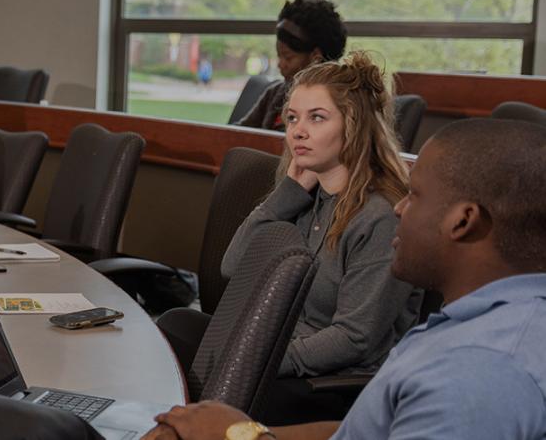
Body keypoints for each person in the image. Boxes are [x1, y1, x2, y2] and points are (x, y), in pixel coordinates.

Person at [143, 118, 546, 440]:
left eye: (416, 195)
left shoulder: (480, 372)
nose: (400, 209)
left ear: (463, 221)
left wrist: (237, 438)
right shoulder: (482, 321)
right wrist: (239, 430)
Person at [221, 51, 419, 423]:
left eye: (317, 118)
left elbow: (354, 338)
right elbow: (233, 267)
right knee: (178, 324)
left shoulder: (381, 216)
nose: (297, 131)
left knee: (217, 388)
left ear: (354, 125)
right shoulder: (304, 197)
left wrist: (262, 359)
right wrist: (287, 194)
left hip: (335, 383)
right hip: (281, 351)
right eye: (292, 118)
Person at [234, 0, 347, 131]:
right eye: (279, 55)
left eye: (288, 57)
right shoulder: (274, 93)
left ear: (316, 58)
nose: (280, 64)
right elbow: (237, 135)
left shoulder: (340, 103)